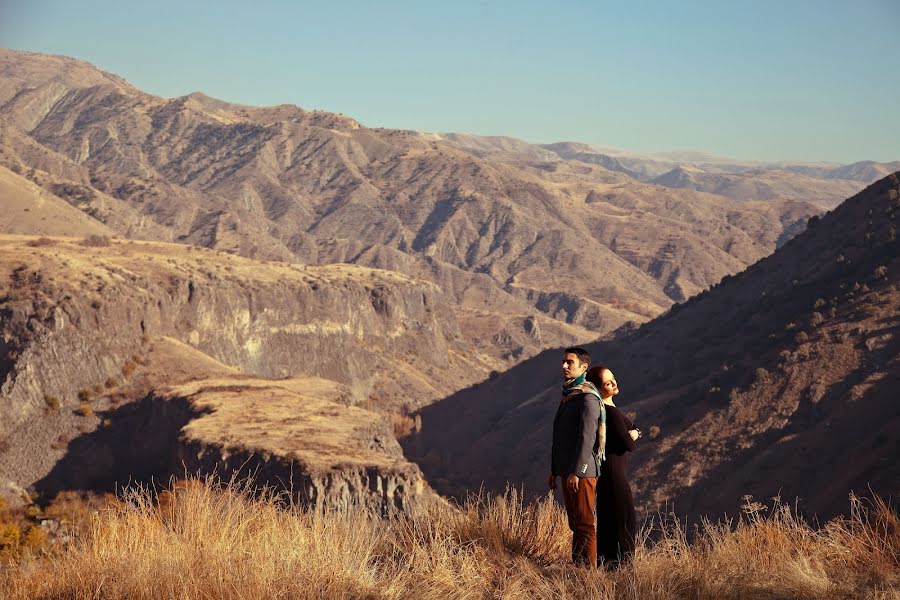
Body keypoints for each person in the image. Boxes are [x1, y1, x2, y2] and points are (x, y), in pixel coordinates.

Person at [549, 347, 603, 567]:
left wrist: (576, 472)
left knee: (586, 524)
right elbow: (560, 438)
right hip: (567, 470)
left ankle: (588, 576)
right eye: (563, 361)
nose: (564, 366)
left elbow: (587, 438)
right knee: (575, 523)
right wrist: (555, 470)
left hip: (582, 472)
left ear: (583, 367)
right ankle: (578, 568)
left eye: (569, 362)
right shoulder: (571, 395)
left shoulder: (587, 398)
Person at [587, 366, 640, 569]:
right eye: (608, 383)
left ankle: (606, 566)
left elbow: (630, 427)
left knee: (608, 522)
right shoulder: (611, 413)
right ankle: (624, 569)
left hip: (604, 473)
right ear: (599, 389)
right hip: (616, 475)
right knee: (625, 522)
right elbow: (629, 443)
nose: (614, 383)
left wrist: (632, 432)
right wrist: (633, 434)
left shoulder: (601, 411)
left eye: (613, 379)